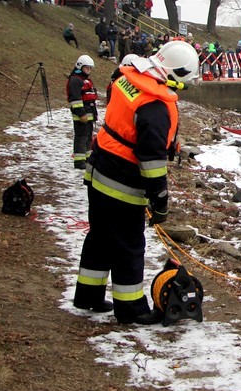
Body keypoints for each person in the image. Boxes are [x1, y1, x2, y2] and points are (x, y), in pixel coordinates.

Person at [72, 41, 199, 325]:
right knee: (129, 247)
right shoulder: (155, 105)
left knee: (99, 238)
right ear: (176, 73)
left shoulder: (130, 81)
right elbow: (151, 161)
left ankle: (88, 295)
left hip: (100, 170)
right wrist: (160, 201)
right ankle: (132, 309)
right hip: (122, 184)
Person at [67, 55, 98, 170]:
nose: (89, 70)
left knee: (88, 137)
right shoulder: (75, 80)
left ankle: (87, 158)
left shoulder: (85, 80)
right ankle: (79, 161)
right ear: (80, 66)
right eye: (87, 68)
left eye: (90, 68)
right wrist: (81, 114)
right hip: (82, 116)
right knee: (81, 137)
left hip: (89, 114)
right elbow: (75, 100)